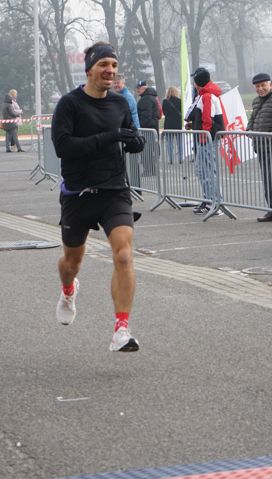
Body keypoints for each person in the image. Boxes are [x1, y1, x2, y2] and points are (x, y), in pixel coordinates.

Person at [51, 41, 146, 352]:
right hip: (78, 193)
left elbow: (128, 134)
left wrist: (134, 142)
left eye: (115, 66)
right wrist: (112, 137)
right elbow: (64, 148)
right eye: (104, 65)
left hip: (114, 190)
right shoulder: (69, 104)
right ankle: (68, 290)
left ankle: (121, 330)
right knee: (71, 262)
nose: (111, 71)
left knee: (124, 255)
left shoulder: (119, 103)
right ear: (90, 69)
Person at [185, 67, 224, 216]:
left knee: (208, 171)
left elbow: (207, 119)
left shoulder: (207, 96)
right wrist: (194, 126)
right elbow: (203, 118)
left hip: (207, 139)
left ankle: (215, 202)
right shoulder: (204, 95)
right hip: (204, 138)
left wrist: (204, 135)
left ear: (196, 83)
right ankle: (209, 200)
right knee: (202, 171)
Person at [245, 72, 272, 222]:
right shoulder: (256, 101)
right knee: (267, 180)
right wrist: (249, 129)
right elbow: (253, 118)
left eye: (263, 85)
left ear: (270, 85)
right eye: (257, 86)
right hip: (260, 146)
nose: (260, 89)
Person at [136, 81, 161, 176]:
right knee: (150, 149)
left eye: (139, 88)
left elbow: (146, 116)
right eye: (137, 88)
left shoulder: (146, 99)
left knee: (146, 150)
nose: (137, 90)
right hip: (152, 127)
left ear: (144, 88)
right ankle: (151, 169)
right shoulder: (151, 97)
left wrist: (141, 126)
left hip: (147, 128)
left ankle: (148, 169)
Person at [161, 85, 184, 164]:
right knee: (179, 143)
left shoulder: (165, 101)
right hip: (178, 124)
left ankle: (171, 159)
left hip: (168, 124)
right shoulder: (180, 101)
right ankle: (181, 158)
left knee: (169, 143)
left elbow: (164, 112)